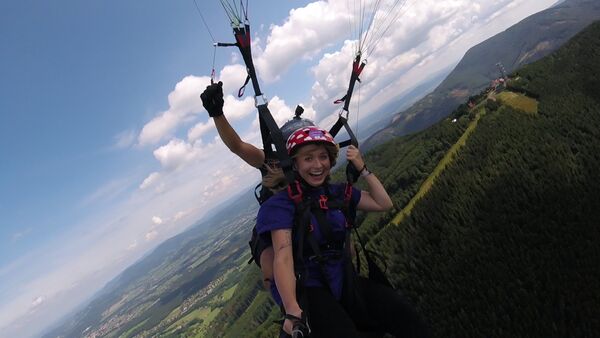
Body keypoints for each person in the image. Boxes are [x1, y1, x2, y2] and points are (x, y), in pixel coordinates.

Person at [256, 126, 428, 337]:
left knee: (403, 314)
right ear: (295, 163)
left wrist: (363, 168)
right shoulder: (281, 205)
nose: (318, 165)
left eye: (323, 157)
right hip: (309, 286)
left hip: (342, 277)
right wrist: (292, 309)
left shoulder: (336, 192)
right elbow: (282, 256)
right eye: (308, 158)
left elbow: (383, 203)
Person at [200, 81, 313, 291]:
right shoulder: (271, 162)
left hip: (307, 222)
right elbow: (238, 146)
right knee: (272, 267)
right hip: (274, 232)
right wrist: (217, 114)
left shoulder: (315, 167)